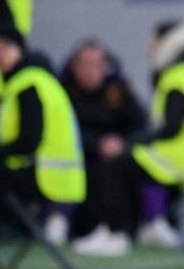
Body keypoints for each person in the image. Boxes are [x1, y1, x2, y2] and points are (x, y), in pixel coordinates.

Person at [73, 21, 184, 255]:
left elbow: (170, 127)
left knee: (117, 166)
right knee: (138, 165)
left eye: (154, 41)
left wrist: (133, 142)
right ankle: (153, 225)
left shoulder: (178, 77)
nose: (149, 47)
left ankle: (114, 234)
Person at [0, 26, 86, 244]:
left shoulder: (27, 83)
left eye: (5, 47)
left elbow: (29, 139)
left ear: (21, 49)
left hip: (43, 174)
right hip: (63, 177)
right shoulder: (42, 79)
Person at [59, 40, 148, 241]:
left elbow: (140, 124)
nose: (91, 71)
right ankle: (59, 221)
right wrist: (96, 144)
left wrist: (122, 143)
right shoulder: (64, 90)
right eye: (85, 64)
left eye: (97, 65)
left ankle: (123, 230)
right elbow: (61, 129)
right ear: (74, 66)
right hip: (78, 154)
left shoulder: (117, 89)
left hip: (115, 155)